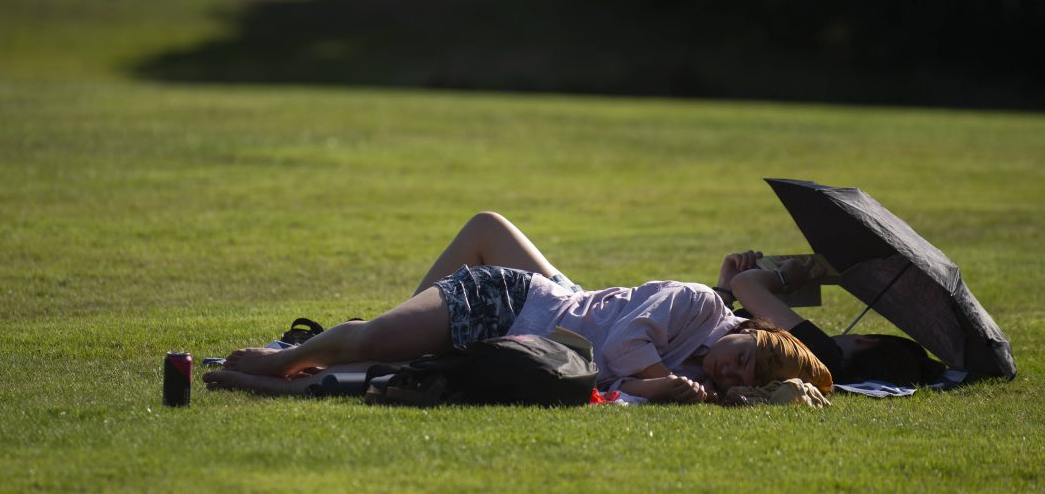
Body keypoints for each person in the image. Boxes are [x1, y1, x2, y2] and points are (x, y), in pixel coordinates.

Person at [204, 212, 832, 403]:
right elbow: (620, 351)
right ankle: (278, 358)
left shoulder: (703, 369)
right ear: (747, 328)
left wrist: (763, 395)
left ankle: (257, 376)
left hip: (523, 342)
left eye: (743, 376)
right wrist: (663, 384)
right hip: (504, 303)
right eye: (742, 357)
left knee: (392, 376)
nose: (731, 371)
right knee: (366, 346)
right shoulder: (696, 305)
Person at [716, 251, 946, 386]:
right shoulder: (825, 376)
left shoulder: (824, 354)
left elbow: (744, 284)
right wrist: (724, 293)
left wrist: (785, 277)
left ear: (864, 340)